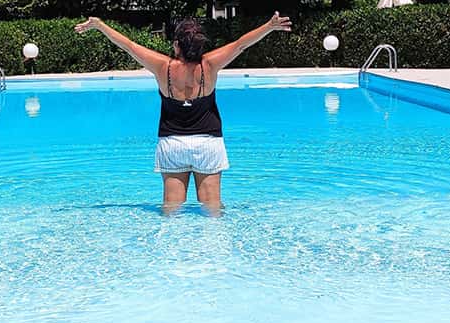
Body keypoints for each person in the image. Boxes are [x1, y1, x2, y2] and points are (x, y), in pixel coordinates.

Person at [74, 12, 292, 212]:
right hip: (208, 144)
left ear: (177, 45)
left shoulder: (163, 67)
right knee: (213, 210)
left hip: (172, 145)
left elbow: (129, 46)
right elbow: (240, 45)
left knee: (171, 210)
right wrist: (269, 26)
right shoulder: (210, 65)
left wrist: (100, 26)